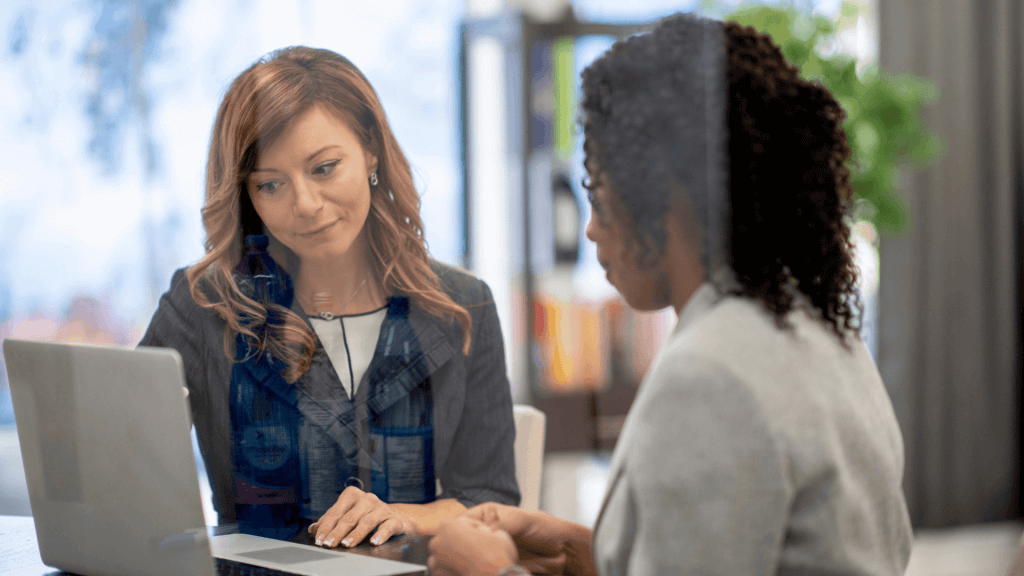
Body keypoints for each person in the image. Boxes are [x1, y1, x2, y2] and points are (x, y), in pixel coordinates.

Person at [427, 13, 912, 576]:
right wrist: (593, 553)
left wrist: (490, 573)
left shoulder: (710, 377)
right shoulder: (820, 332)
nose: (590, 228)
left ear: (663, 198)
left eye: (598, 189)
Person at [140, 46, 518, 548]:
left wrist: (402, 515)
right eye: (270, 185)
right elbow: (120, 468)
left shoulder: (462, 307)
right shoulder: (204, 306)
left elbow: (489, 500)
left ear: (371, 152)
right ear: (246, 197)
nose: (305, 205)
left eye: (323, 168)